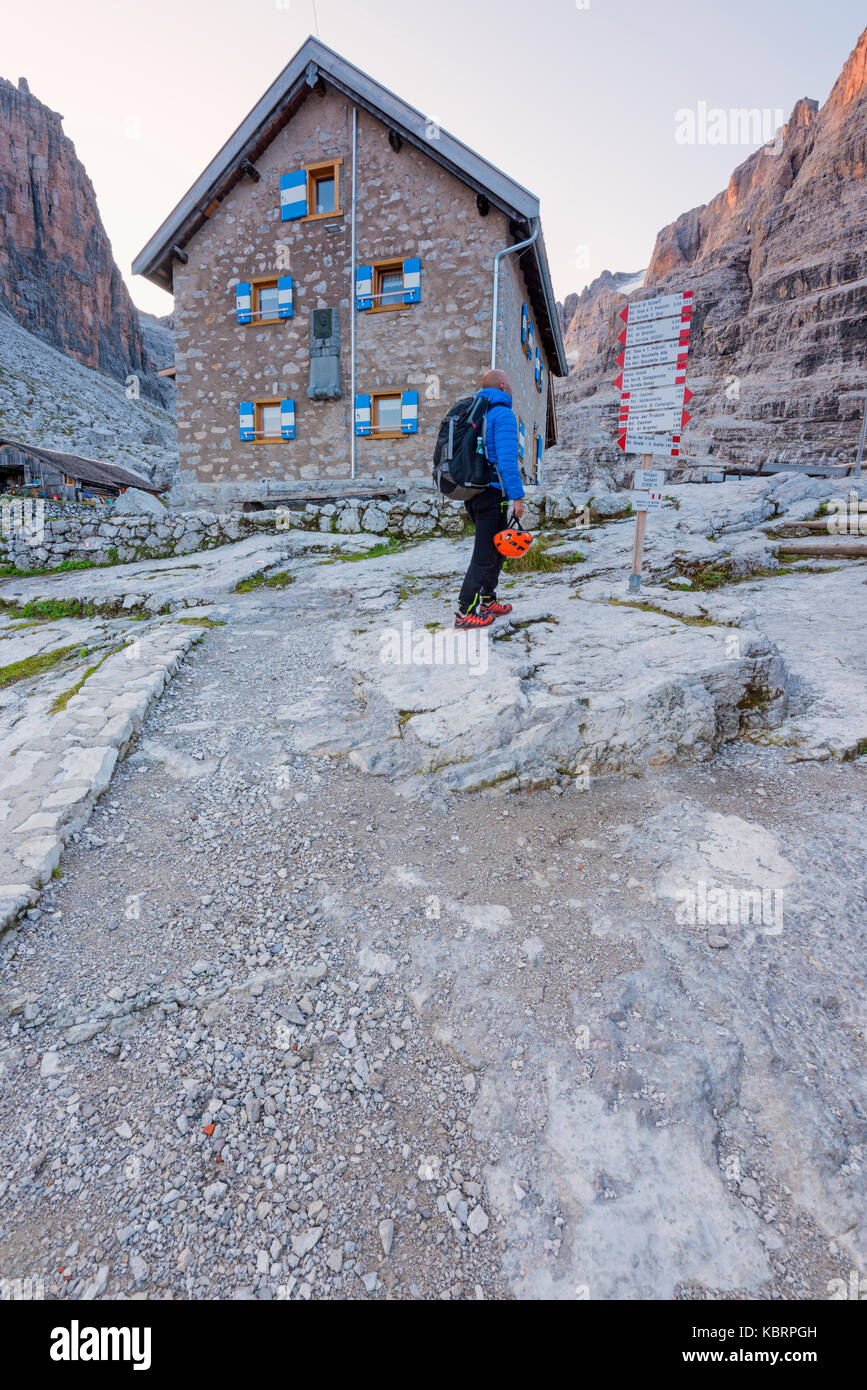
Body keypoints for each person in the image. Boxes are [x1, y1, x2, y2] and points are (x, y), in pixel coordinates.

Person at [454, 369, 525, 630]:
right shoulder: (502, 415)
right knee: (485, 554)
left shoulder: (476, 413)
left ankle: (487, 600)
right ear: (503, 385)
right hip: (491, 493)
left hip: (474, 492)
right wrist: (517, 497)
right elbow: (507, 461)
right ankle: (465, 612)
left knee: (495, 551)